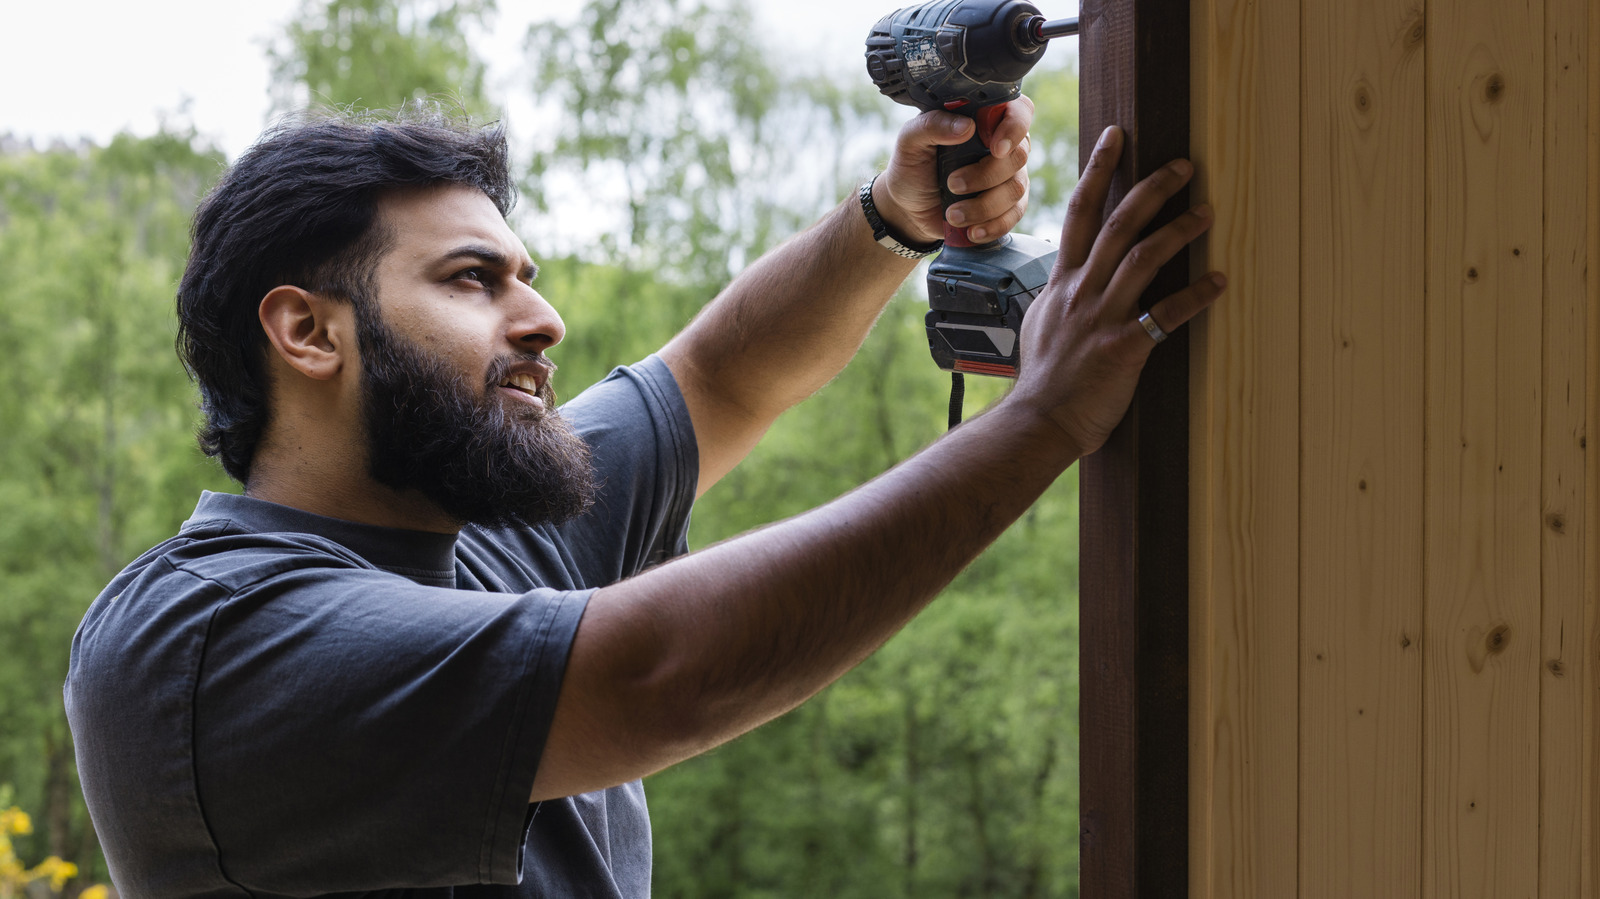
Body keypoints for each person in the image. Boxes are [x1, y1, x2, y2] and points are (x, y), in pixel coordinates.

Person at [64, 102, 1223, 897]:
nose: (543, 318)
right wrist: (1047, 418)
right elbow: (658, 671)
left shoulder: (494, 539)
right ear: (308, 331)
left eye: (526, 272)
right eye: (474, 279)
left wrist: (891, 219)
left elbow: (720, 374)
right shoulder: (204, 638)